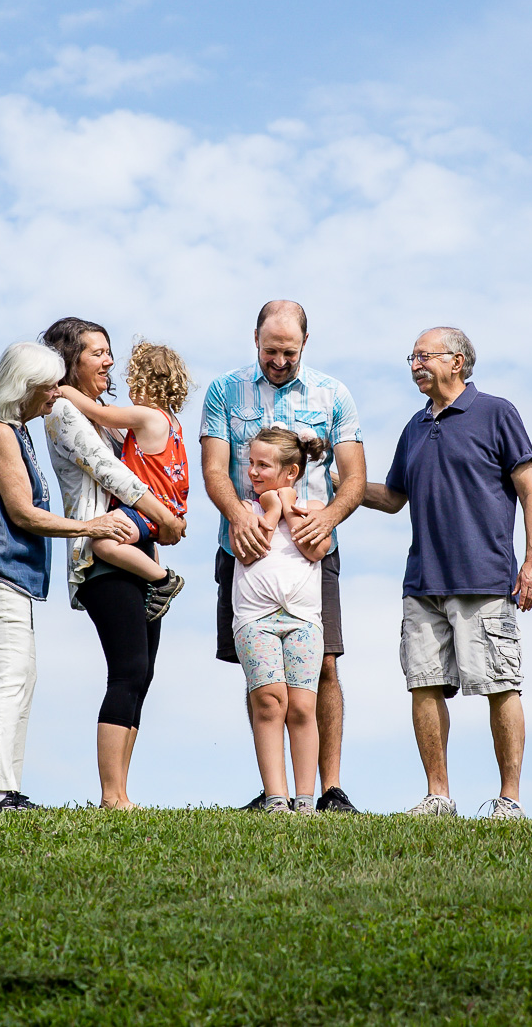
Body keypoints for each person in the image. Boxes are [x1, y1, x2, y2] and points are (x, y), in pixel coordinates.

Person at [361, 328, 532, 819]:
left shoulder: (497, 412)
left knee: (500, 685)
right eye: (412, 357)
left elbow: (530, 491)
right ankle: (438, 797)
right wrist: (347, 485)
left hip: (485, 578)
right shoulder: (415, 426)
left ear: (458, 361)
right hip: (423, 582)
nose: (415, 364)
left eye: (425, 356)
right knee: (422, 684)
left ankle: (509, 801)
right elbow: (394, 499)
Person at [200, 299, 366, 813]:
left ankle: (327, 790)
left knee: (326, 669)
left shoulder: (333, 394)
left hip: (313, 556)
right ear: (255, 341)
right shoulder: (224, 391)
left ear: (305, 345)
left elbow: (355, 478)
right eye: (271, 350)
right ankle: (274, 792)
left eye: (289, 351)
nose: (279, 360)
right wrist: (237, 513)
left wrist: (329, 518)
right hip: (245, 551)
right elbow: (213, 469)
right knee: (262, 677)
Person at [0, 341, 135, 812]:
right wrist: (90, 526)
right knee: (10, 675)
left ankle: (3, 789)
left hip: (11, 574)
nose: (56, 394)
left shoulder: (17, 432)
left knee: (21, 676)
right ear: (23, 388)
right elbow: (24, 514)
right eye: (48, 386)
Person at [39, 317, 187, 810]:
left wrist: (156, 526)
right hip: (101, 548)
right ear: (71, 361)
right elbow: (108, 471)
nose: (108, 361)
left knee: (141, 673)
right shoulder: (63, 409)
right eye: (97, 352)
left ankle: (121, 791)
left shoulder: (106, 411)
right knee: (125, 669)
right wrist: (162, 513)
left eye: (108, 352)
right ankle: (111, 795)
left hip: (136, 544)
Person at [231, 427, 334, 814]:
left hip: (303, 620)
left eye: (263, 465)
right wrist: (271, 509)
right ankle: (276, 797)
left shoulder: (314, 510)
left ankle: (305, 800)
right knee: (269, 702)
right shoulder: (245, 510)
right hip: (256, 619)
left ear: (291, 472)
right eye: (251, 464)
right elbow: (247, 552)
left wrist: (290, 507)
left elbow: (316, 548)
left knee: (303, 707)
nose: (253, 472)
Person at [54, 339, 192, 612]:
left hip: (145, 510)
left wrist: (66, 389)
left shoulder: (146, 416)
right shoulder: (171, 422)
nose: (128, 389)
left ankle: (163, 580)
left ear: (145, 383)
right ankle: (153, 576)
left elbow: (101, 413)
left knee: (102, 544)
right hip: (167, 508)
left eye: (132, 382)